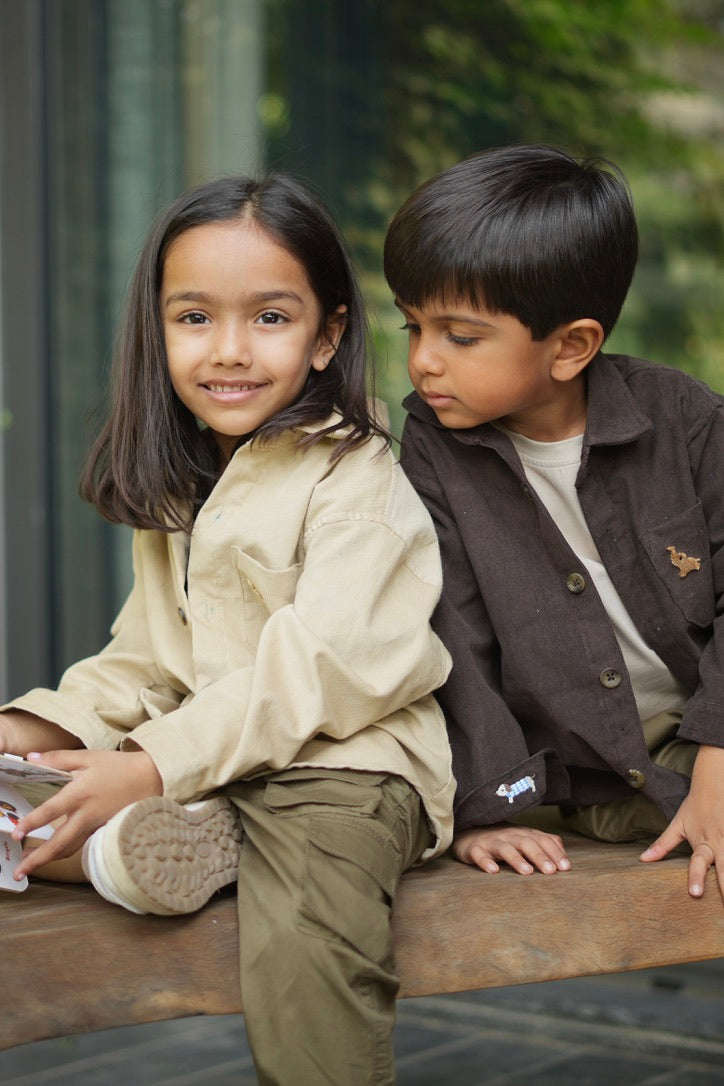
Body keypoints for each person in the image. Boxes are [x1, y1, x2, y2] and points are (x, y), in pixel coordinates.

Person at [0, 173, 455, 1084]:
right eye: (195, 317)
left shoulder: (356, 480)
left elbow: (313, 673)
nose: (230, 350)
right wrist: (33, 730)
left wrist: (153, 765)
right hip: (215, 755)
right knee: (23, 803)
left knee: (306, 944)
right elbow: (142, 660)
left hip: (344, 770)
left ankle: (192, 840)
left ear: (327, 335)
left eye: (272, 318)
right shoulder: (186, 483)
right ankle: (186, 843)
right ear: (157, 330)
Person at [383, 144, 724, 903]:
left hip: (704, 737)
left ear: (572, 346)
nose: (423, 362)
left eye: (458, 336)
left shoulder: (684, 419)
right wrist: (486, 807)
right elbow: (453, 634)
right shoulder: (434, 447)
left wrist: (716, 760)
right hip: (588, 773)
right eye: (412, 328)